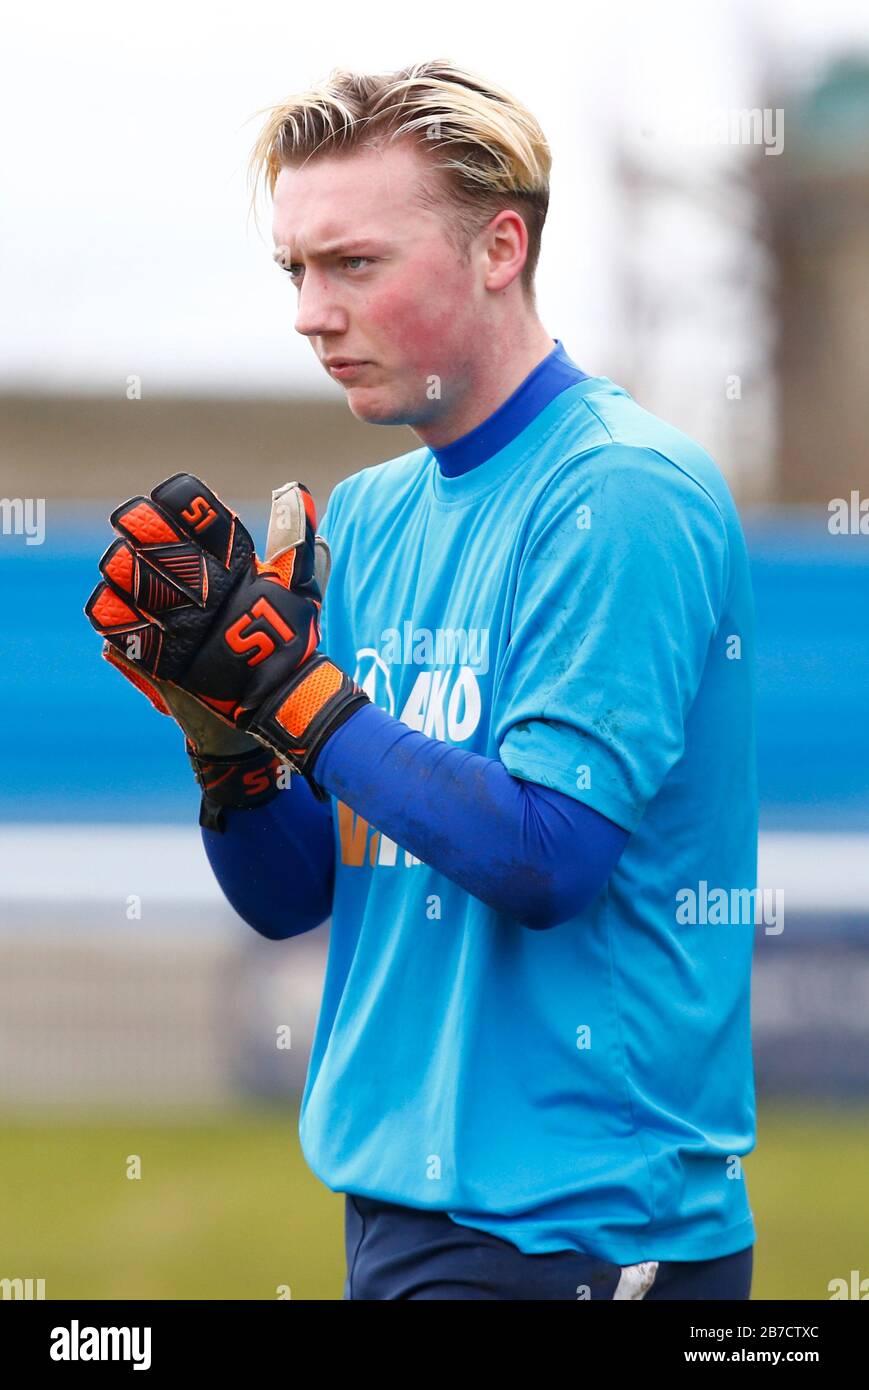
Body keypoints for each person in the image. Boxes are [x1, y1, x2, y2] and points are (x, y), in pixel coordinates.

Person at [98, 59, 759, 1300]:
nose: (308, 310)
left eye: (353, 263)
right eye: (295, 268)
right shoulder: (380, 512)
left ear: (498, 247)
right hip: (400, 1211)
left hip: (579, 1230)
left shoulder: (618, 491)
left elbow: (545, 857)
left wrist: (296, 698)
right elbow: (296, 894)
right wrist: (230, 745)